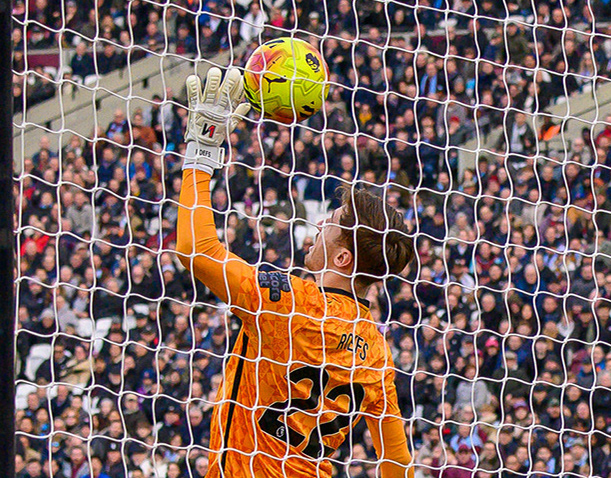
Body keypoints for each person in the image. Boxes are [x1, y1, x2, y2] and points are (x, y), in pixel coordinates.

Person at [175, 67, 415, 477]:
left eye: (331, 224)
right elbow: (397, 460)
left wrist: (201, 154)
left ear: (343, 258)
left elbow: (195, 249)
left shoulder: (288, 302)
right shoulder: (377, 353)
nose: (320, 225)